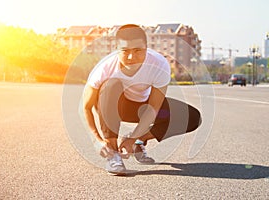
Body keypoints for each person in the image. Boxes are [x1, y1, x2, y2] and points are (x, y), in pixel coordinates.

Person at [83, 24, 201, 174]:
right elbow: (86, 107)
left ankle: (139, 141)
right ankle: (112, 153)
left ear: (147, 47)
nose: (131, 57)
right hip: (115, 106)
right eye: (125, 51)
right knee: (110, 85)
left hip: (144, 107)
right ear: (117, 49)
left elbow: (152, 109)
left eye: (138, 50)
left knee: (192, 117)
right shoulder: (104, 69)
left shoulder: (159, 64)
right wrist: (97, 141)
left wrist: (133, 137)